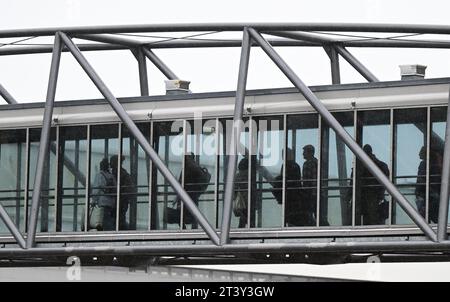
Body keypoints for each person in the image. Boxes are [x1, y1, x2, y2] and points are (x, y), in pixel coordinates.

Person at [357, 144, 389, 225]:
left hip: (366, 195)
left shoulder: (361, 166)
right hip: (376, 195)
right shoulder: (382, 165)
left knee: (367, 218)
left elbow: (355, 180)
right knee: (375, 217)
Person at [110, 155, 135, 230]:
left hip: (120, 200)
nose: (110, 164)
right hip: (122, 199)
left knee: (118, 218)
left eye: (111, 162)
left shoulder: (118, 173)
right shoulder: (123, 172)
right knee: (119, 218)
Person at [91, 157, 116, 231]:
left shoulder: (99, 175)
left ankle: (105, 232)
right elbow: (115, 188)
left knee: (102, 219)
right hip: (111, 202)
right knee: (109, 218)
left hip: (102, 202)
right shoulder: (111, 176)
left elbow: (96, 189)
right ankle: (110, 230)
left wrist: (93, 201)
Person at [302, 145, 318, 225]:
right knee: (317, 212)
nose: (303, 154)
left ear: (310, 153)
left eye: (304, 152)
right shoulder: (316, 162)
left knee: (309, 212)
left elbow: (308, 180)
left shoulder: (308, 163)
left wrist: (305, 192)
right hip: (315, 192)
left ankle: (312, 225)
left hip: (310, 193)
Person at [233, 157, 250, 228]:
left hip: (240, 200)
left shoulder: (237, 176)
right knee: (246, 216)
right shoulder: (249, 175)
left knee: (243, 216)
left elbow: (234, 189)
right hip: (247, 200)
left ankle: (242, 228)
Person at [415, 146, 427, 218]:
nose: (419, 154)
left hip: (422, 193)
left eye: (421, 152)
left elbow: (420, 178)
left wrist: (418, 192)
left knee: (422, 214)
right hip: (423, 192)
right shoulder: (424, 164)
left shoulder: (423, 164)